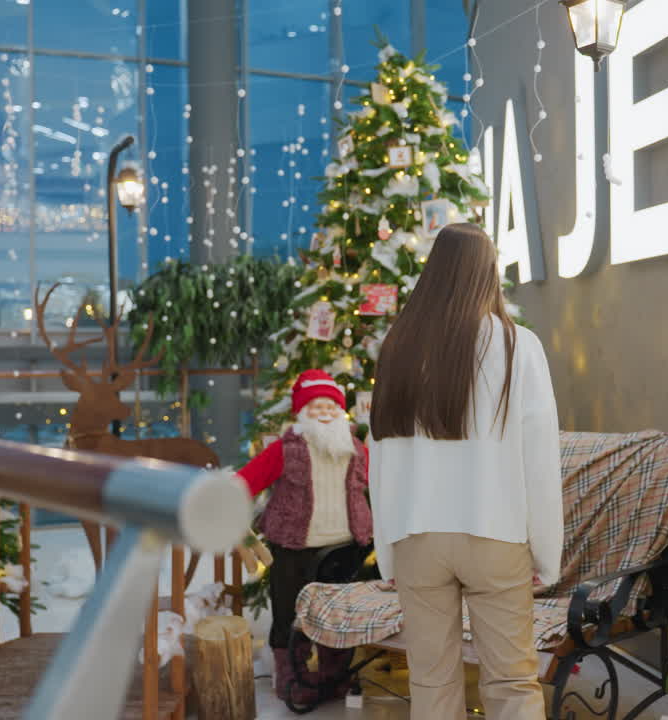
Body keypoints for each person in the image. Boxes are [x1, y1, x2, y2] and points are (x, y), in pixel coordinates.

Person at [368, 223, 563, 719]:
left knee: (432, 684)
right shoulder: (519, 346)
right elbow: (538, 459)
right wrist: (546, 551)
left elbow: (382, 456)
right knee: (513, 682)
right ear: (487, 273)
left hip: (416, 537)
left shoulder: (398, 349)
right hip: (494, 533)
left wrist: (388, 550)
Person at [235, 369, 372, 704]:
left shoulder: (356, 449)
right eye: (317, 408)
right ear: (302, 413)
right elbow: (246, 480)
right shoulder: (285, 450)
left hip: (345, 547)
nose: (325, 414)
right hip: (293, 547)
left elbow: (377, 487)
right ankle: (290, 678)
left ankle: (334, 675)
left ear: (342, 413)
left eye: (331, 408)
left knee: (339, 616)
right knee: (289, 614)